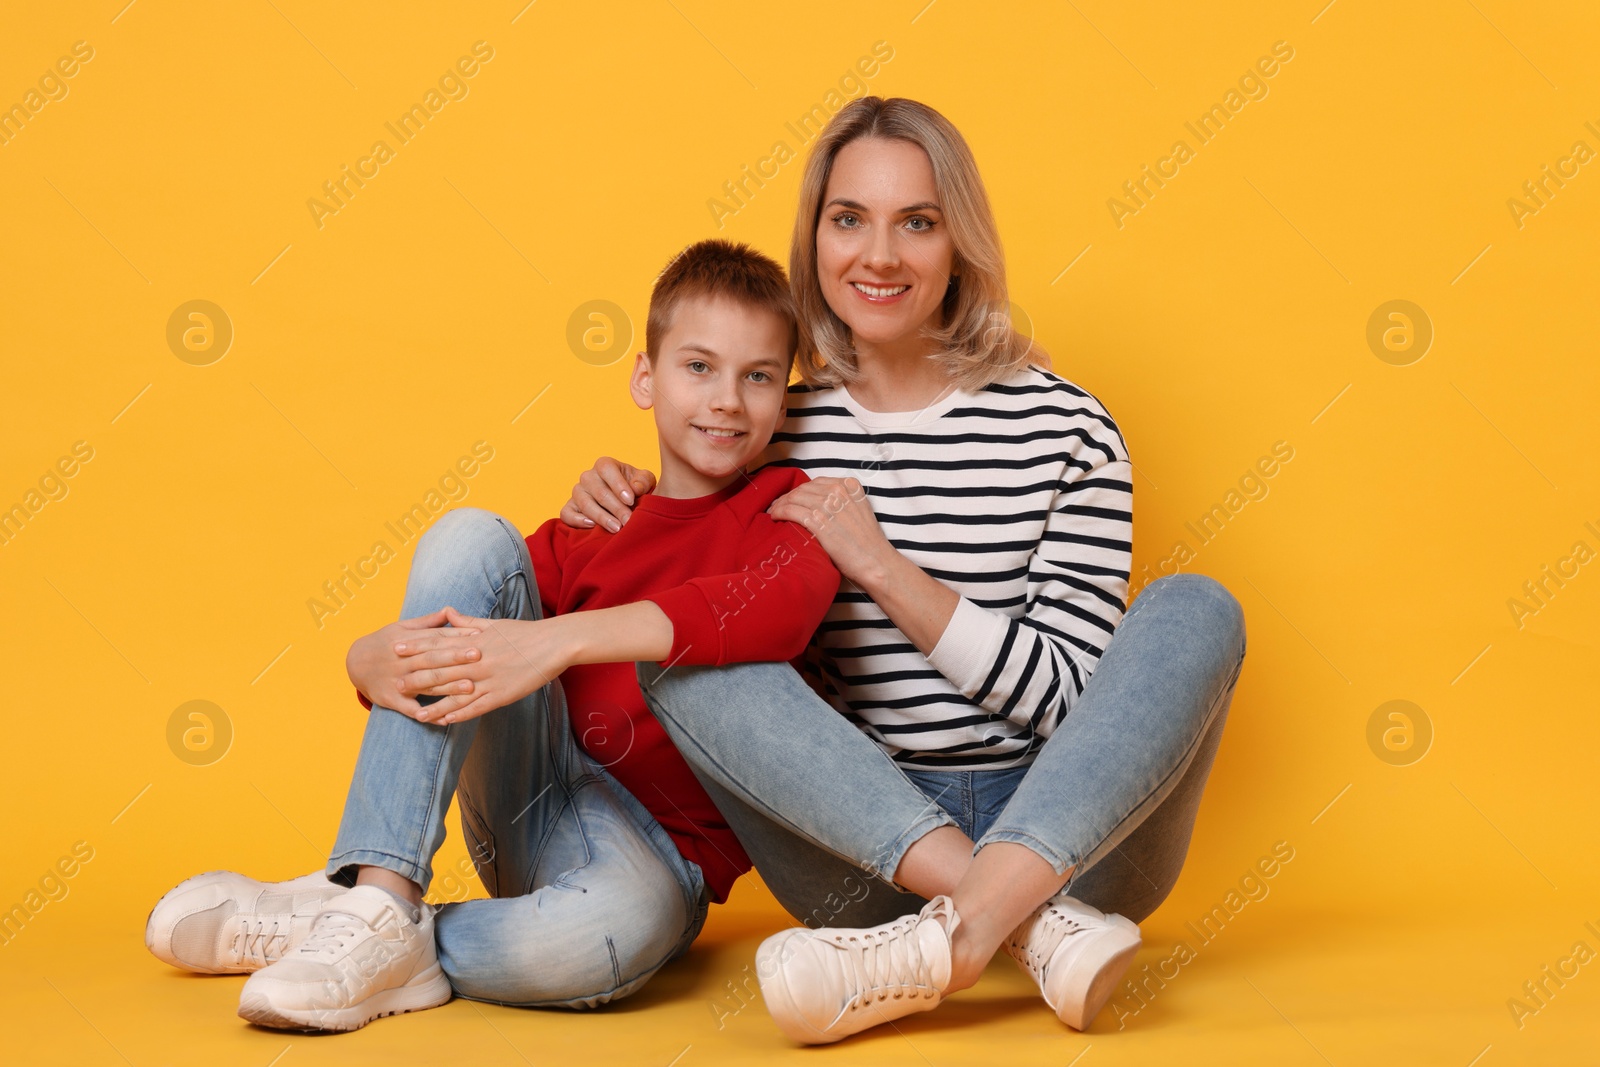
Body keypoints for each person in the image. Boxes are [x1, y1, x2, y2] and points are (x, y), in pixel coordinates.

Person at [561, 96, 1248, 1044]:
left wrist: (884, 569)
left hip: (1079, 844)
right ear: (815, 241)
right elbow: (687, 575)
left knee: (1194, 608)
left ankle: (960, 939)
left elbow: (1070, 703)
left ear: (958, 244)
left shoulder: (1067, 428)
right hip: (860, 853)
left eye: (916, 223)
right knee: (691, 655)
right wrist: (618, 488)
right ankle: (1027, 933)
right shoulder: (771, 419)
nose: (877, 256)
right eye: (849, 220)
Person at [143, 239, 841, 1032]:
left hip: (654, 862)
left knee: (599, 939)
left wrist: (566, 640)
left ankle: (358, 920)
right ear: (646, 378)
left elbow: (771, 609)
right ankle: (380, 896)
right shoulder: (596, 525)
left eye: (758, 377)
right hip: (529, 788)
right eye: (698, 367)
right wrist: (361, 662)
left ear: (784, 399)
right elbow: (462, 620)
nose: (726, 400)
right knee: (470, 535)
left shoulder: (789, 507)